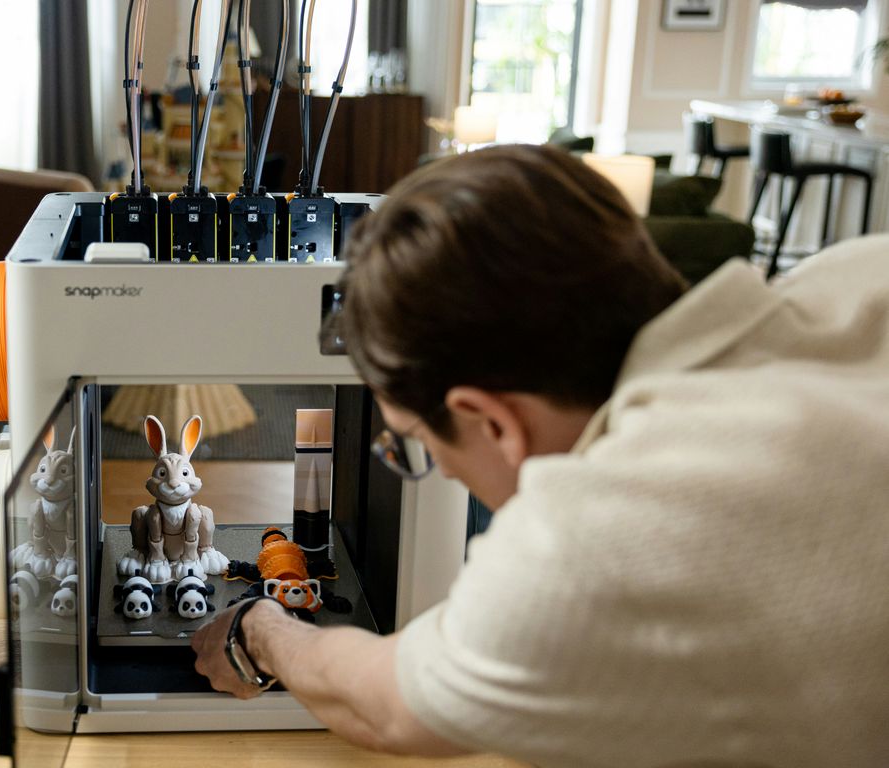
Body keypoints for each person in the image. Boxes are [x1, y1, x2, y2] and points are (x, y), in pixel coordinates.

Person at [190, 144, 889, 767]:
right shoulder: (858, 270)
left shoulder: (590, 536)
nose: (439, 466)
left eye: (415, 443)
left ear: (489, 421)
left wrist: (259, 628)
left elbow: (383, 705)